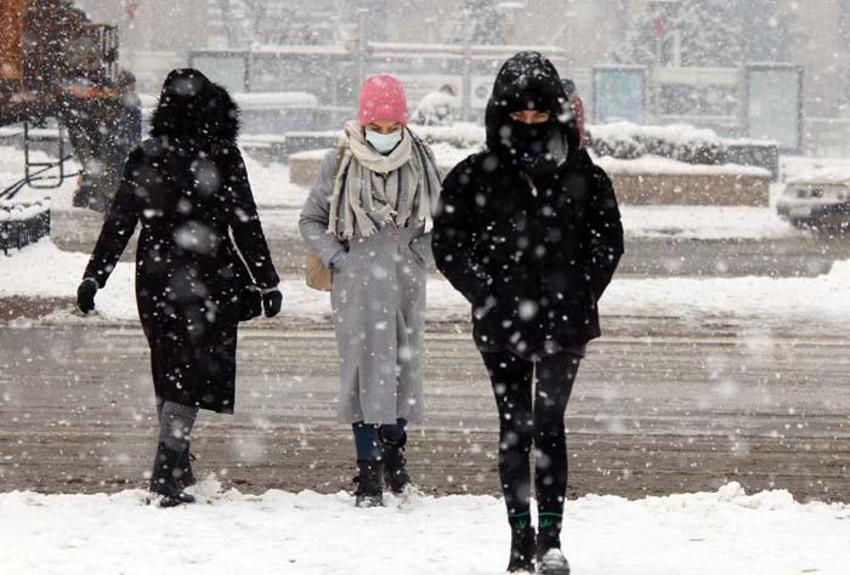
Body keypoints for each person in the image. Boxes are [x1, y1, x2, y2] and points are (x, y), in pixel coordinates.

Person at [432, 52, 624, 574]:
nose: (531, 124)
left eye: (541, 115)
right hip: (501, 323)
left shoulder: (585, 175)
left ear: (558, 114)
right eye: (520, 115)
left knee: (550, 423)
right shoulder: (474, 175)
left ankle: (552, 539)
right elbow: (448, 242)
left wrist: (583, 290)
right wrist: (485, 291)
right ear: (501, 114)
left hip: (566, 322)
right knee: (515, 426)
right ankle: (520, 537)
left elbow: (608, 241)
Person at [76, 69, 283, 507]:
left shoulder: (147, 154)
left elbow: (119, 221)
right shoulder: (223, 156)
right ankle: (168, 469)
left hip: (154, 277)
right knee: (188, 375)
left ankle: (177, 462)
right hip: (210, 276)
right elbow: (245, 222)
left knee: (169, 369)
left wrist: (96, 274)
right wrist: (266, 281)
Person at [299, 74, 442, 507]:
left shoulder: (422, 159)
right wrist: (340, 260)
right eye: (375, 128)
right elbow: (311, 219)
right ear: (362, 123)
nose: (383, 136)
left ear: (403, 123)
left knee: (402, 369)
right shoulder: (340, 159)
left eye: (390, 128)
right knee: (362, 373)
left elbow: (450, 223)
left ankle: (395, 453)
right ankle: (368, 472)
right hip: (356, 282)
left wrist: (421, 254)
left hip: (404, 281)